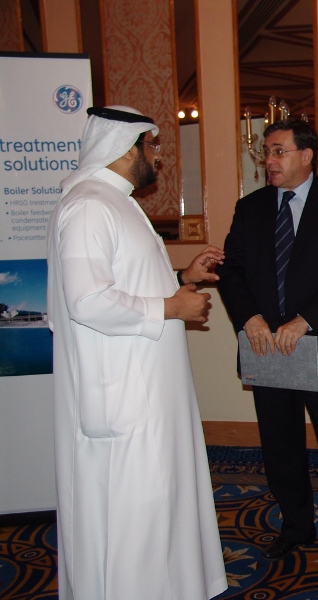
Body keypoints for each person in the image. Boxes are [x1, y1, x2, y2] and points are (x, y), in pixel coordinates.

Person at [46, 106, 228, 600]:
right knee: (134, 511)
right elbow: (88, 301)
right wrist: (171, 306)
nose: (158, 156)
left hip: (145, 388)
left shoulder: (113, 201)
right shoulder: (90, 206)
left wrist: (181, 278)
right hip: (122, 395)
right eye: (152, 146)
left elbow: (124, 282)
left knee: (158, 503)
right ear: (126, 149)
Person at [215, 119, 318, 582]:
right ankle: (296, 526)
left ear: (306, 156)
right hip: (265, 345)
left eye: (278, 151)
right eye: (266, 152)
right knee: (280, 447)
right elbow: (232, 271)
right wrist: (249, 318)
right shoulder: (249, 208)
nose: (268, 161)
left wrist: (304, 321)